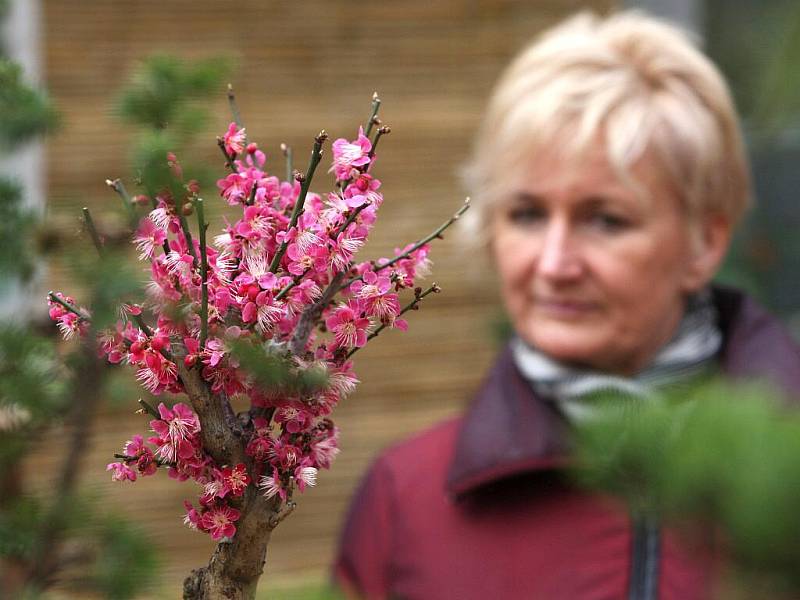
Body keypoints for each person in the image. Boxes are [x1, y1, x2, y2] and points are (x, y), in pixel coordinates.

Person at [333, 10, 800, 600]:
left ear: (705, 241)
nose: (554, 264)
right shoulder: (407, 500)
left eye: (605, 220)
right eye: (526, 214)